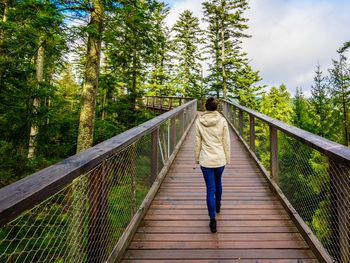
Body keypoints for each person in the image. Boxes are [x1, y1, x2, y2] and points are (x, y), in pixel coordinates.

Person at [195, 97, 231, 233]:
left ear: (206, 107)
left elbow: (198, 142)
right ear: (216, 108)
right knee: (218, 182)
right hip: (219, 158)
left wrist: (197, 158)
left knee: (210, 189)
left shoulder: (199, 121)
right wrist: (227, 158)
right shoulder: (222, 121)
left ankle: (212, 219)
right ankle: (218, 206)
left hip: (206, 160)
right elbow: (226, 141)